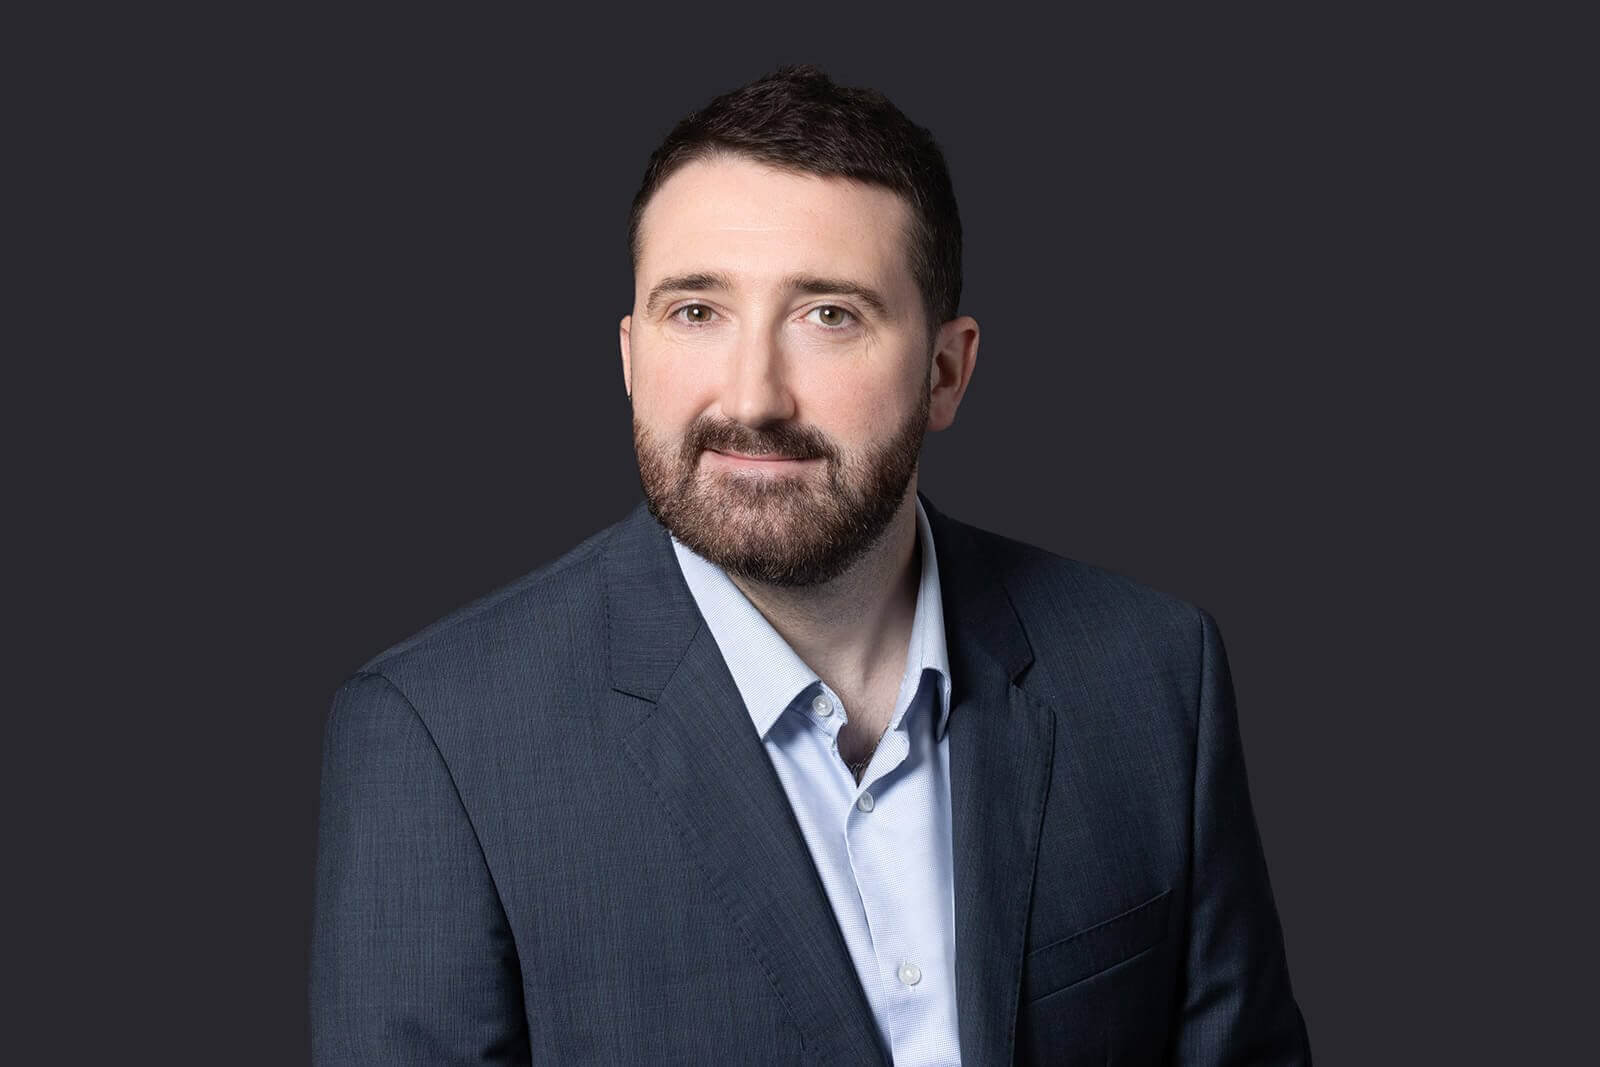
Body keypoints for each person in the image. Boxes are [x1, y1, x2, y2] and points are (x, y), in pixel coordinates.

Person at [309, 65, 1311, 1065]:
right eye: (695, 311)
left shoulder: (1152, 672)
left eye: (828, 314)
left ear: (945, 371)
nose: (753, 397)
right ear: (629, 356)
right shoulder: (437, 740)